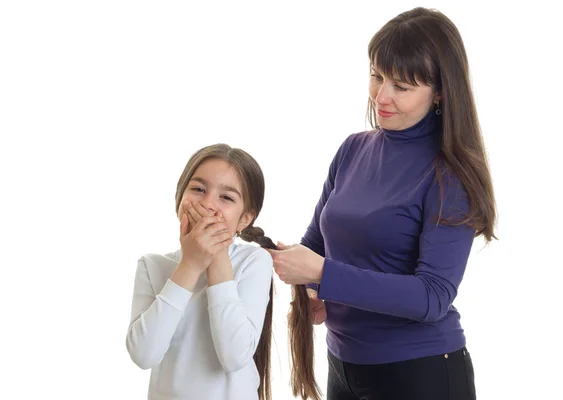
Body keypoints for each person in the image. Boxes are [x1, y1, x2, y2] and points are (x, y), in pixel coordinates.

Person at [267, 7, 496, 400]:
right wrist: (311, 288)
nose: (381, 96)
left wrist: (324, 273)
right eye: (376, 76)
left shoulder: (449, 175)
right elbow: (316, 247)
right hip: (343, 365)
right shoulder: (353, 149)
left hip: (418, 374)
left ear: (440, 91)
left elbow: (432, 296)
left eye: (402, 87)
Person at [125, 144, 277, 400]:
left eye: (226, 198)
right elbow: (143, 354)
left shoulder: (254, 262)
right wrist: (191, 265)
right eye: (198, 189)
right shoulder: (152, 266)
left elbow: (234, 356)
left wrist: (216, 257)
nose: (207, 204)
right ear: (179, 198)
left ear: (244, 219)